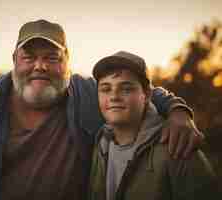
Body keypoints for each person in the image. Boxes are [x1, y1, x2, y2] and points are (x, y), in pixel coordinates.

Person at [0, 20, 203, 200]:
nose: (40, 66)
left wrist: (178, 111)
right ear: (14, 60)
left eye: (51, 57)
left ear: (68, 62)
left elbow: (139, 90)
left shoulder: (88, 94)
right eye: (29, 57)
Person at [88, 51, 219, 200]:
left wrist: (179, 110)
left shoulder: (178, 146)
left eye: (126, 89)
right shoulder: (100, 145)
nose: (114, 96)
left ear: (147, 95)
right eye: (105, 89)